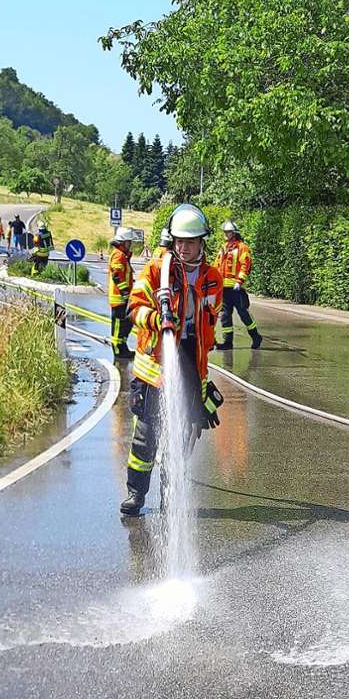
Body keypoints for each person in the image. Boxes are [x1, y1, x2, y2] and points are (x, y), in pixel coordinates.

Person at [121, 204, 225, 517]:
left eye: (190, 242)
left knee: (182, 438)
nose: (184, 247)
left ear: (201, 242)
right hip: (156, 367)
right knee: (146, 437)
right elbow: (134, 308)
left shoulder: (212, 278)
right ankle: (136, 495)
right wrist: (157, 319)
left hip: (192, 362)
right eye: (179, 241)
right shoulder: (158, 270)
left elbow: (210, 321)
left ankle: (171, 499)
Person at [213, 219, 262, 350]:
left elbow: (246, 265)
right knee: (225, 316)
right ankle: (227, 342)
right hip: (224, 289)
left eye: (228, 232)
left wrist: (239, 281)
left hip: (236, 289)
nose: (225, 234)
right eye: (224, 231)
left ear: (234, 233)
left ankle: (256, 336)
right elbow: (217, 266)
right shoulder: (224, 248)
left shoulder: (242, 248)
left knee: (243, 313)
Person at [108, 226, 137, 360]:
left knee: (125, 324)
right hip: (119, 298)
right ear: (123, 242)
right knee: (119, 326)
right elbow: (117, 276)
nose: (130, 244)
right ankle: (118, 350)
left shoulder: (122, 255)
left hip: (123, 297)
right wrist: (125, 292)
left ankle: (123, 347)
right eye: (129, 242)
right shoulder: (118, 255)